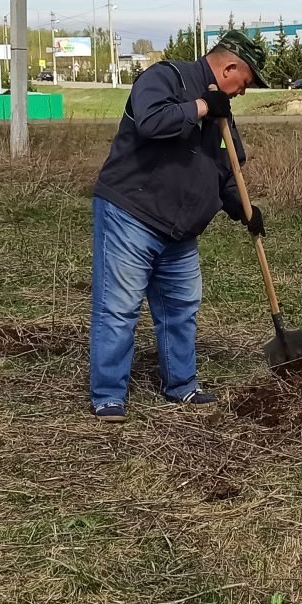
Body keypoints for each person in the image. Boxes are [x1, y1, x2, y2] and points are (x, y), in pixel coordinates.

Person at [87, 29, 270, 423]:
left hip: (181, 229)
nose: (243, 92)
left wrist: (242, 207)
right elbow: (151, 122)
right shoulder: (166, 77)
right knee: (119, 308)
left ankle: (182, 386)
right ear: (230, 67)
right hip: (131, 215)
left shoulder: (222, 111)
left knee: (181, 309)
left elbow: (226, 169)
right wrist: (203, 106)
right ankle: (108, 396)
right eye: (246, 82)